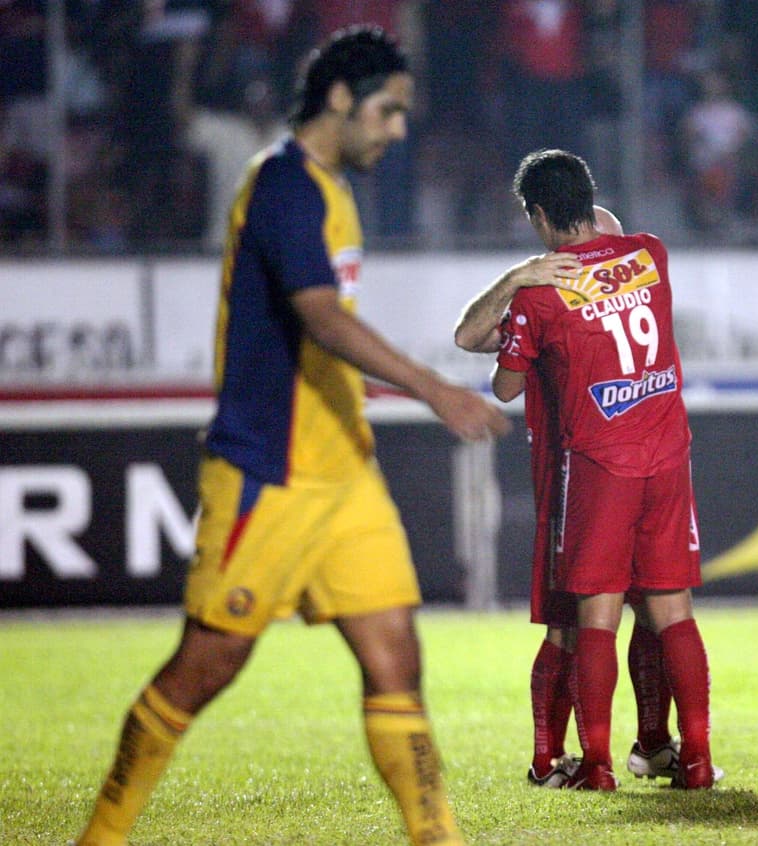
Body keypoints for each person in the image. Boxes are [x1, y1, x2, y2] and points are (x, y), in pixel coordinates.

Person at [76, 26, 509, 846]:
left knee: (396, 661)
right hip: (267, 473)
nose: (398, 130)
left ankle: (439, 838)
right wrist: (433, 389)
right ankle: (99, 838)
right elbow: (320, 317)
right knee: (206, 665)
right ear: (340, 98)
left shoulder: (332, 189)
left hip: (344, 473)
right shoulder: (281, 183)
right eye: (388, 111)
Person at [487, 149, 714, 790]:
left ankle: (597, 765)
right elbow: (607, 232)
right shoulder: (649, 254)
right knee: (674, 612)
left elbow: (505, 387)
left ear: (537, 215)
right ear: (590, 200)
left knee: (595, 622)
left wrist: (526, 285)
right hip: (667, 457)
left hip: (598, 464)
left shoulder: (541, 294)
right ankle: (696, 760)